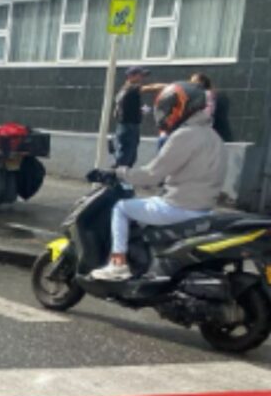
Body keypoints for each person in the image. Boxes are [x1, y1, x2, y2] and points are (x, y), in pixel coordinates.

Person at [90, 81, 227, 282]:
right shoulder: (213, 136)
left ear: (180, 107)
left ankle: (117, 265)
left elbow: (152, 175)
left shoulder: (185, 135)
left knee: (121, 208)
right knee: (148, 207)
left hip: (179, 207)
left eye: (167, 108)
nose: (164, 113)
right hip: (204, 209)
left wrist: (119, 172)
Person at [112, 66, 149, 168]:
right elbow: (150, 88)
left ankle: (120, 178)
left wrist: (141, 110)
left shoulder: (124, 90)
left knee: (128, 156)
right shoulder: (131, 88)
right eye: (140, 75)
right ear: (130, 76)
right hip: (128, 126)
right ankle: (116, 178)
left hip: (129, 125)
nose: (142, 78)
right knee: (125, 156)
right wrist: (170, 86)